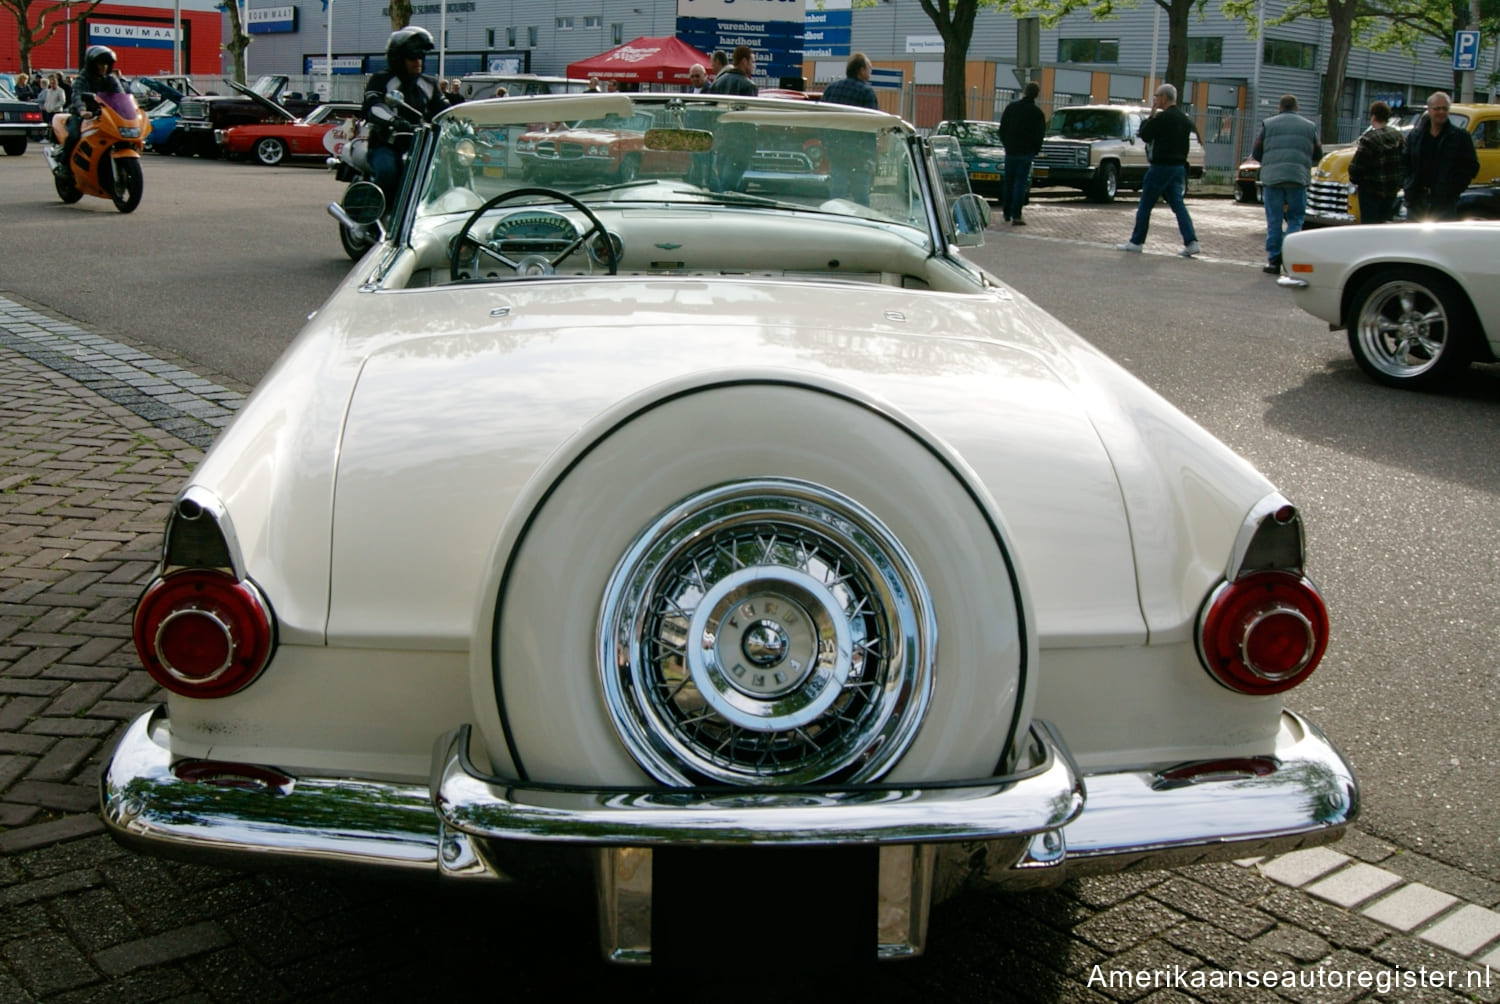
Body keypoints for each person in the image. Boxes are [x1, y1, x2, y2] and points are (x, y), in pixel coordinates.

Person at [361, 27, 447, 207]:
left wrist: (464, 120)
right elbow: (374, 106)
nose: (418, 62)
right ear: (398, 58)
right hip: (386, 144)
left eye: (421, 57)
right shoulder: (381, 79)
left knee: (443, 174)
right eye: (412, 57)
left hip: (420, 146)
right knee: (388, 173)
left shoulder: (429, 83)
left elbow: (444, 109)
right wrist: (393, 120)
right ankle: (370, 213)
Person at [1117, 84, 1201, 257]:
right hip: (1178, 167)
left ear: (1164, 97)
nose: (1155, 99)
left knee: (1145, 204)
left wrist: (1151, 115)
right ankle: (1191, 241)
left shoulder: (1163, 118)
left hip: (1161, 166)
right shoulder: (1184, 119)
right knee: (1178, 206)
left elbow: (1145, 134)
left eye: (1157, 96)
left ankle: (1136, 241)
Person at [1252, 94, 1321, 274]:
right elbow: (1318, 153)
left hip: (1272, 178)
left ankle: (1274, 260)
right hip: (1297, 178)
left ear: (1279, 107)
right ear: (1296, 108)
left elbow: (1256, 152)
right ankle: (1291, 256)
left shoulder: (1268, 125)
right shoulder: (1309, 126)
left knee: (1274, 219)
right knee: (1296, 218)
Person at [1403, 91, 1479, 222]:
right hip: (1416, 201)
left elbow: (1471, 167)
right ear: (1429, 110)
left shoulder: (1460, 137)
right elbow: (1404, 162)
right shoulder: (1415, 136)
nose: (1441, 112)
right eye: (1437, 109)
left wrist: (1453, 190)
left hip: (1445, 203)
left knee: (1442, 240)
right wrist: (1407, 184)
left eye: (1445, 108)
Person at [56, 47, 127, 179]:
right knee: (74, 136)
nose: (104, 67)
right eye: (100, 63)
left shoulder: (110, 79)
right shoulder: (83, 78)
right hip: (82, 115)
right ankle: (64, 166)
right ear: (92, 64)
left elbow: (120, 94)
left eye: (106, 64)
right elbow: (77, 95)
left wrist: (130, 109)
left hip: (104, 115)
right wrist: (82, 110)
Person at [820, 53, 880, 204]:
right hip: (858, 155)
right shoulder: (867, 93)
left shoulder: (831, 89)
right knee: (861, 198)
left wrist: (827, 144)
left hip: (836, 151)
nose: (870, 72)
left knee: (837, 195)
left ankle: (834, 223)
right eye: (869, 68)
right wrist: (871, 157)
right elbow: (870, 126)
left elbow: (821, 119)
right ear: (861, 70)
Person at [1347, 100, 1405, 224]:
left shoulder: (1369, 139)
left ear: (1373, 116)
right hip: (1391, 190)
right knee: (1384, 224)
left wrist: (1356, 180)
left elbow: (1356, 167)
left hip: (1371, 191)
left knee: (1369, 226)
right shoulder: (1398, 136)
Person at [998, 80, 1045, 225]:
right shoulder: (1037, 113)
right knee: (1020, 183)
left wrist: (1007, 144)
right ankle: (1016, 214)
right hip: (1026, 152)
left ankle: (1006, 212)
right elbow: (1039, 134)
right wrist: (1035, 149)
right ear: (1036, 95)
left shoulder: (1011, 108)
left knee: (1009, 182)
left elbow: (1002, 129)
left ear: (1024, 92)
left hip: (1011, 150)